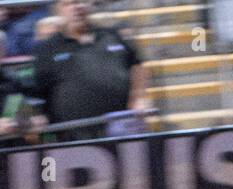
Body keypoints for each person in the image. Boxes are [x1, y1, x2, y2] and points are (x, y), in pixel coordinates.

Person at [29, 0, 149, 131]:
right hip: (75, 135)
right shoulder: (48, 48)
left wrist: (139, 97)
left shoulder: (112, 35)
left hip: (122, 127)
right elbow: (38, 92)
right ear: (58, 10)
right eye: (69, 4)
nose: (77, 8)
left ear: (91, 4)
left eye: (82, 1)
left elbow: (136, 64)